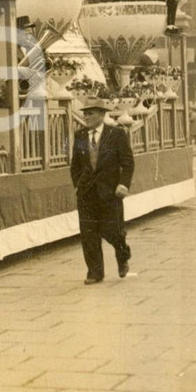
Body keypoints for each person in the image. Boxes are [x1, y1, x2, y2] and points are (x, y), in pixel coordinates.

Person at [70, 97, 134, 284]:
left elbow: (128, 162)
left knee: (113, 231)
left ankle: (122, 256)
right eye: (85, 113)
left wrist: (123, 184)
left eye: (90, 113)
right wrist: (78, 185)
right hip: (86, 194)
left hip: (110, 192)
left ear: (101, 114)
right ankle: (95, 272)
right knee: (88, 232)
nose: (86, 117)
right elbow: (75, 165)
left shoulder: (117, 134)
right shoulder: (80, 136)